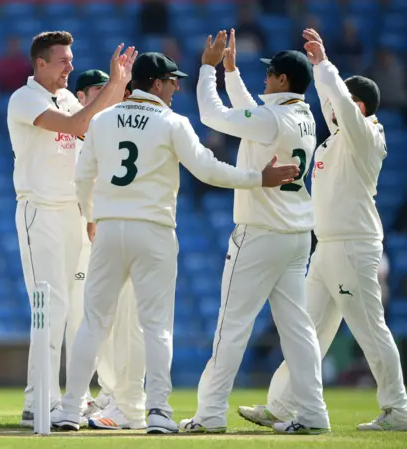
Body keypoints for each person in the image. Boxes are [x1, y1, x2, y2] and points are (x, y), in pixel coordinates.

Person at [50, 51, 300, 434]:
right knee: (156, 326)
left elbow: (82, 179)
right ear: (154, 82)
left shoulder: (100, 120)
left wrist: (90, 215)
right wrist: (257, 179)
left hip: (110, 225)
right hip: (153, 230)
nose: (176, 87)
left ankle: (69, 411)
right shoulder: (171, 122)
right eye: (171, 80)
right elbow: (207, 170)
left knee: (92, 324)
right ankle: (158, 413)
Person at [238, 28, 407, 432]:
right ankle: (280, 405)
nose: (329, 106)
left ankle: (398, 409)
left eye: (340, 101)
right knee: (305, 330)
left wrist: (323, 64)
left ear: (358, 105)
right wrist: (321, 74)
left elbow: (344, 108)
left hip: (353, 247)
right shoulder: (330, 145)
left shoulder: (366, 137)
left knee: (370, 329)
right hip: (325, 248)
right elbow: (336, 105)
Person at [179, 29, 330, 435]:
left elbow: (215, 116)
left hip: (261, 234)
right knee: (298, 331)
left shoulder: (272, 118)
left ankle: (210, 414)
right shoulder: (303, 116)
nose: (264, 80)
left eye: (269, 75)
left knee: (232, 325)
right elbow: (254, 119)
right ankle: (314, 414)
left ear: (282, 80)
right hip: (297, 235)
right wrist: (232, 73)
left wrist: (208, 69)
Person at [6, 31, 136, 427]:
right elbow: (80, 121)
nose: (70, 66)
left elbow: (93, 123)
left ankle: (67, 400)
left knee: (78, 311)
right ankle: (38, 401)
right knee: (51, 308)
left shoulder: (65, 96)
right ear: (40, 63)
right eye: (63, 60)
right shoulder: (25, 98)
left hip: (74, 214)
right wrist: (114, 83)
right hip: (40, 212)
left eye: (72, 58)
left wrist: (122, 85)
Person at [67, 70, 147, 430]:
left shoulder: (114, 130)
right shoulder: (78, 135)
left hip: (108, 234)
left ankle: (118, 396)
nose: (106, 96)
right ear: (81, 97)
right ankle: (98, 394)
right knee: (87, 321)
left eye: (109, 89)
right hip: (81, 237)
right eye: (98, 91)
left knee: (115, 319)